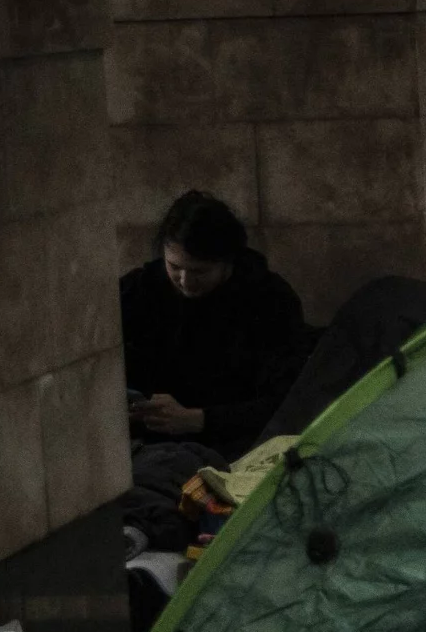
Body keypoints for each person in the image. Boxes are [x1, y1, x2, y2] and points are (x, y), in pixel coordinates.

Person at [119, 191, 311, 456]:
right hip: (148, 444)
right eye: (174, 267)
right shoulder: (140, 291)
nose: (185, 281)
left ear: (227, 261)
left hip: (234, 445)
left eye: (199, 271)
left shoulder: (269, 300)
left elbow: (286, 401)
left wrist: (198, 419)